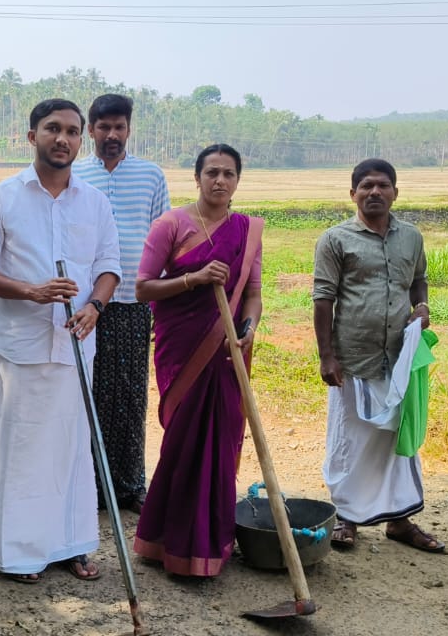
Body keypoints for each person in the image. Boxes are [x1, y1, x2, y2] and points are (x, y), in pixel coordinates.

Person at [0, 98, 120, 582]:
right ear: (30, 136)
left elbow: (110, 267)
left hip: (77, 347)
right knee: (25, 448)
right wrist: (31, 291)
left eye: (73, 131)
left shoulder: (94, 201)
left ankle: (72, 545)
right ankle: (21, 553)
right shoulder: (3, 198)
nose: (64, 138)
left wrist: (95, 306)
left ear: (82, 139)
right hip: (23, 346)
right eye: (53, 129)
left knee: (74, 447)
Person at [132, 144, 263, 576]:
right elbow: (144, 288)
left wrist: (246, 329)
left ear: (237, 181)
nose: (220, 181)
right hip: (183, 351)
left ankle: (211, 542)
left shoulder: (248, 231)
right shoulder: (170, 225)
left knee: (221, 448)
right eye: (212, 172)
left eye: (228, 173)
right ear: (197, 177)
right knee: (183, 445)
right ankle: (164, 540)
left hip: (228, 355)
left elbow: (253, 296)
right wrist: (194, 279)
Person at [313, 158, 443, 554]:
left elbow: (418, 280)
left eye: (383, 185)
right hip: (353, 359)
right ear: (352, 193)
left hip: (399, 357)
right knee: (350, 440)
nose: (374, 192)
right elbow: (323, 300)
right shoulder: (335, 239)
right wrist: (326, 357)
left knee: (395, 437)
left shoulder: (411, 237)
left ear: (395, 192)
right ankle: (347, 518)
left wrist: (421, 307)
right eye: (366, 186)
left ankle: (399, 521)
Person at [73, 94, 170, 513]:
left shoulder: (150, 176)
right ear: (91, 130)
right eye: (103, 127)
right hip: (85, 301)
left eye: (119, 127)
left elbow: (164, 239)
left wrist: (159, 303)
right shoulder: (74, 175)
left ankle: (129, 485)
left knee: (129, 396)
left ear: (129, 129)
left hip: (133, 301)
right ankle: (89, 485)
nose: (111, 135)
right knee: (86, 393)